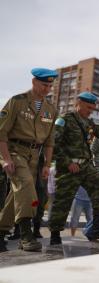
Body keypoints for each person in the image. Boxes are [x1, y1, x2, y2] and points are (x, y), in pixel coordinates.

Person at [0, 68, 58, 252]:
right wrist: (5, 159)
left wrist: (47, 165)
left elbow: (49, 142)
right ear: (34, 82)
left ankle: (0, 233)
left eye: (49, 86)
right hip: (15, 152)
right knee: (26, 189)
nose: (46, 89)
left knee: (17, 196)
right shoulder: (17, 101)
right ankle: (25, 236)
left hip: (35, 158)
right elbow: (1, 132)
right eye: (43, 85)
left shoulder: (51, 110)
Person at [48, 91, 99, 245]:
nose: (90, 111)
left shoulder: (89, 123)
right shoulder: (64, 120)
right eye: (88, 107)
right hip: (69, 167)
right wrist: (68, 163)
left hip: (85, 165)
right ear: (79, 104)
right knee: (63, 201)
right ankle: (55, 235)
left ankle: (97, 227)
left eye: (92, 108)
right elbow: (54, 144)